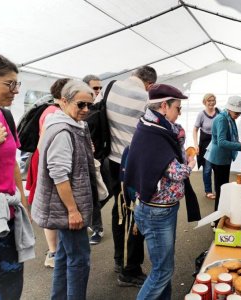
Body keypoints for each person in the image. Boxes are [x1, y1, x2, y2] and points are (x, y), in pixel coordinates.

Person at [124, 83, 196, 300]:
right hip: (157, 212)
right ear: (164, 106)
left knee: (163, 267)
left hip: (160, 208)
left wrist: (179, 137)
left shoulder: (154, 127)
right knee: (162, 271)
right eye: (178, 108)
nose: (180, 113)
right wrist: (191, 164)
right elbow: (176, 171)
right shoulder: (153, 132)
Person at [31, 80, 97, 299]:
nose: (86, 110)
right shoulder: (63, 130)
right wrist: (72, 210)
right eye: (81, 105)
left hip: (66, 205)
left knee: (63, 255)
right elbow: (58, 174)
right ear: (64, 101)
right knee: (79, 260)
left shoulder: (67, 123)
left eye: (90, 105)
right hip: (68, 207)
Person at [96, 65, 157, 286]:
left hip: (110, 161)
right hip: (132, 165)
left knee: (119, 210)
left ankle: (119, 260)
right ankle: (129, 270)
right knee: (134, 214)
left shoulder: (110, 87)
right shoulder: (146, 98)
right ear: (149, 84)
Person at [0, 51, 35, 299]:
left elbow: (13, 163)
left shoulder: (5, 116)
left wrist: (23, 204)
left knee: (12, 286)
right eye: (9, 83)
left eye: (17, 84)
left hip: (9, 216)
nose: (15, 90)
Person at [26, 78, 70, 268]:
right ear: (63, 96)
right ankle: (53, 252)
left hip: (43, 161)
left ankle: (56, 251)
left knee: (51, 205)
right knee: (49, 206)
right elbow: (43, 144)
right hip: (46, 162)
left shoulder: (51, 110)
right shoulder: (53, 113)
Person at [204, 96, 241, 211]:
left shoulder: (229, 117)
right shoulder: (222, 119)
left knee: (223, 188)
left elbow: (232, 137)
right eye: (236, 113)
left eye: (239, 113)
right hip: (219, 158)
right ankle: (217, 219)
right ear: (229, 109)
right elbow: (221, 142)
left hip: (224, 158)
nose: (237, 115)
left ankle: (221, 214)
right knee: (221, 189)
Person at [83, 74, 105, 245]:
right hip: (77, 160)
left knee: (95, 194)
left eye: (99, 88)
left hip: (94, 159)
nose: (97, 91)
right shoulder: (79, 109)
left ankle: (97, 228)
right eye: (94, 87)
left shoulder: (99, 109)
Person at [193, 93, 219, 200]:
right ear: (205, 102)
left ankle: (219, 190)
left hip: (217, 144)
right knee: (207, 169)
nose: (211, 102)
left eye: (213, 100)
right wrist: (195, 145)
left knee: (218, 168)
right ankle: (208, 191)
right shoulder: (201, 115)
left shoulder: (219, 113)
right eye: (209, 100)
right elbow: (195, 129)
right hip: (205, 145)